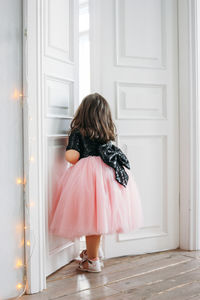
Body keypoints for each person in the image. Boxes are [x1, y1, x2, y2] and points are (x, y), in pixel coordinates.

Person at [48, 92, 144, 273]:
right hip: (109, 173)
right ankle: (94, 252)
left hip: (88, 176)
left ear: (82, 113)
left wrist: (68, 147)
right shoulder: (106, 132)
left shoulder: (78, 132)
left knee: (92, 218)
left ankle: (92, 260)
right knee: (101, 216)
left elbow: (73, 156)